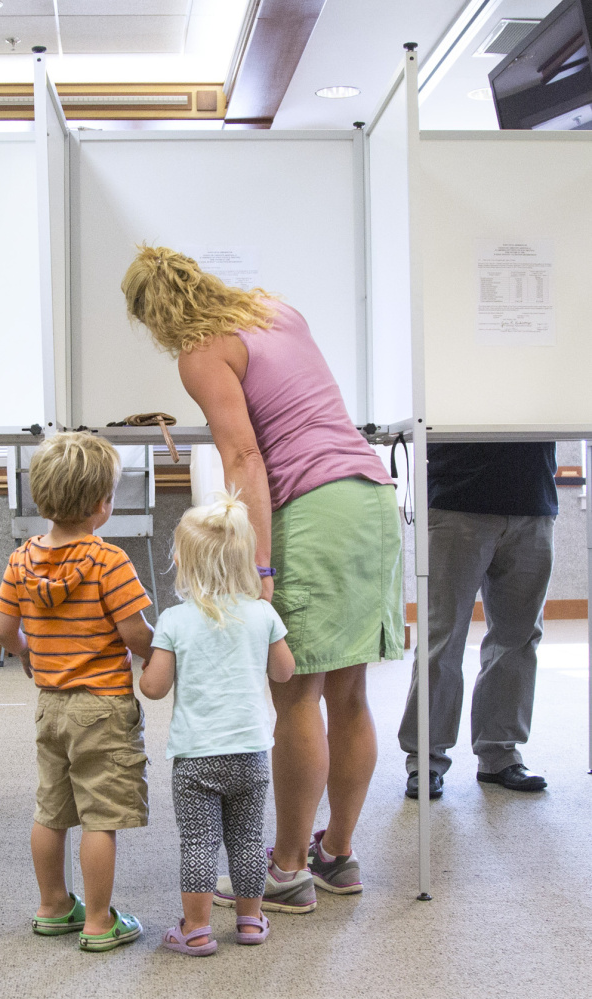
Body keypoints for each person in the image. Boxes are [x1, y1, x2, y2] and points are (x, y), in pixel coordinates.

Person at [122, 245, 404, 912]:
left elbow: (244, 456)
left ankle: (283, 870)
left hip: (312, 506)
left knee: (296, 695)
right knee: (351, 691)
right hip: (369, 495)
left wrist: (259, 566)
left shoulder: (201, 351)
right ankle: (334, 853)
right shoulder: (275, 308)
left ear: (154, 316)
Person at [0, 431, 155, 952]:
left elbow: (0, 630)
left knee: (52, 809)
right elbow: (134, 635)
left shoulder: (22, 560)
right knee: (100, 817)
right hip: (103, 707)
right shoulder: (110, 562)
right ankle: (100, 921)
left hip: (50, 706)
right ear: (102, 505)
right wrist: (160, 649)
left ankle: (53, 906)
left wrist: (26, 651)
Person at [140, 492, 295, 954]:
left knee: (199, 844)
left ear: (183, 562)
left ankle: (197, 928)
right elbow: (284, 671)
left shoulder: (174, 620)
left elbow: (153, 687)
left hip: (196, 760)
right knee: (248, 839)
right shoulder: (263, 614)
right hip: (250, 751)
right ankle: (249, 921)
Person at [398, 442, 557, 799]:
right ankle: (426, 759)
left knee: (519, 637)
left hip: (533, 499)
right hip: (458, 499)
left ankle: (500, 754)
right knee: (443, 636)